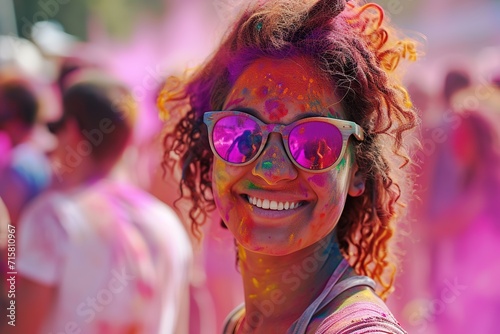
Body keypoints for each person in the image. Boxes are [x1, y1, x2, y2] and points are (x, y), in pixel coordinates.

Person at [159, 0, 418, 333]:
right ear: (211, 152)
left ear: (358, 170)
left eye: (314, 143)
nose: (272, 169)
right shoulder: (240, 323)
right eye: (240, 132)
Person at [5, 71, 192, 334]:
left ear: (71, 130)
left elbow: (19, 326)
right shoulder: (169, 224)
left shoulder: (52, 218)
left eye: (56, 129)